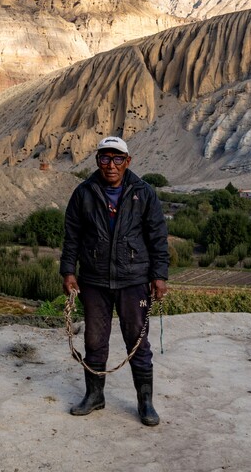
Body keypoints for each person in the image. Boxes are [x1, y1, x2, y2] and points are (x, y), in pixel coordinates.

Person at [60, 135, 169, 426]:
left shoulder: (143, 193)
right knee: (94, 340)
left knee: (137, 341)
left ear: (127, 162)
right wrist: (68, 271)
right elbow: (72, 236)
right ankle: (95, 396)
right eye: (105, 158)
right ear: (97, 161)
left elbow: (158, 237)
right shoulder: (84, 193)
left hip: (134, 280)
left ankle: (145, 403)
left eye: (117, 158)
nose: (111, 165)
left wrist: (159, 276)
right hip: (94, 280)